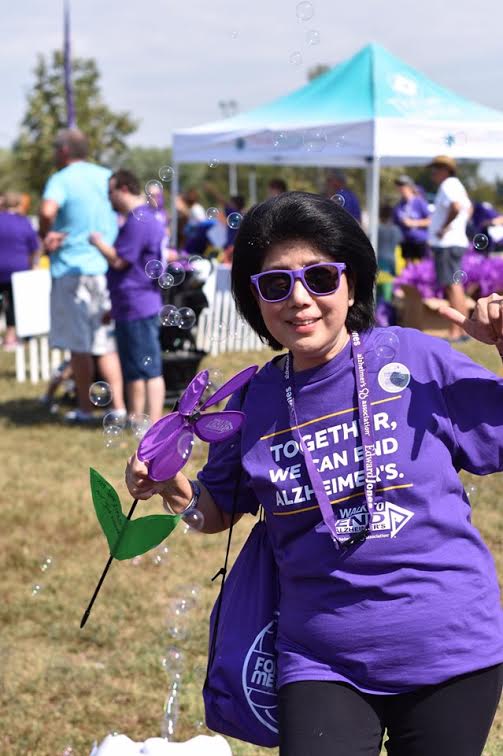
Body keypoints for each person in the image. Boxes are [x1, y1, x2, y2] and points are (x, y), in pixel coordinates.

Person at [125, 192, 503, 756]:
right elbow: (214, 512)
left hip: (450, 649)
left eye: (320, 277)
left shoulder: (416, 359)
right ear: (256, 299)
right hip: (320, 659)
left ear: (352, 285)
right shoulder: (254, 399)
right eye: (276, 284)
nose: (299, 299)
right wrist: (170, 486)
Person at [39, 128, 126, 423]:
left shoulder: (61, 179)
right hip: (105, 268)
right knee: (106, 343)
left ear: (64, 151)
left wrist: (46, 235)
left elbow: (47, 210)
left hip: (71, 271)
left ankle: (86, 409)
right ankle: (119, 407)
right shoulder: (106, 176)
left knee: (80, 346)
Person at [89, 169, 166, 424]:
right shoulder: (142, 217)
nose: (108, 198)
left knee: (148, 368)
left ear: (123, 189)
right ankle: (135, 419)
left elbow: (120, 261)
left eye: (110, 192)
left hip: (138, 304)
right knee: (134, 367)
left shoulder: (138, 220)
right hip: (129, 304)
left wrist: (97, 243)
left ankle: (152, 422)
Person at [427, 155, 472, 343]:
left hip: (447, 243)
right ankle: (464, 330)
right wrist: (460, 225)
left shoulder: (448, 185)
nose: (433, 173)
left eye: (436, 169)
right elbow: (468, 208)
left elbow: (456, 207)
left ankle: (456, 331)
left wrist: (444, 228)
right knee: (456, 286)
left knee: (452, 287)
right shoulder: (457, 185)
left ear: (446, 170)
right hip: (455, 241)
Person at [0, 191, 40, 349]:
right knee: (13, 303)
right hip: (18, 269)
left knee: (3, 300)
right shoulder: (23, 222)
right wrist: (33, 264)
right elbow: (34, 247)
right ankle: (11, 337)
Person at [392, 175, 430, 260]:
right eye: (398, 186)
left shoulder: (419, 202)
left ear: (410, 187)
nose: (400, 188)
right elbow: (394, 224)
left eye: (402, 185)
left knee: (422, 266)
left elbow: (430, 221)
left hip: (420, 242)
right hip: (405, 242)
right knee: (408, 266)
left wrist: (413, 223)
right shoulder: (398, 206)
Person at [377, 203, 401, 274]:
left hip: (379, 259)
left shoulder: (377, 229)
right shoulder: (396, 229)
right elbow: (399, 241)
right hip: (391, 260)